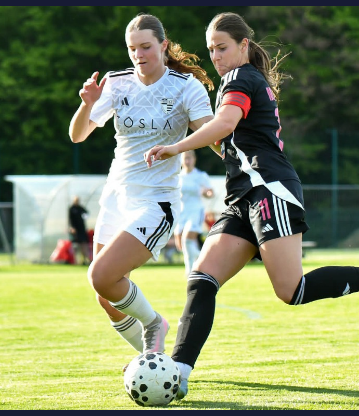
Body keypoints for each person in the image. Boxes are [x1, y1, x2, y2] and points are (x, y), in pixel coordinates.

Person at [144, 12, 359, 400]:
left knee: (292, 289)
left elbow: (225, 125)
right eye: (211, 50)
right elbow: (227, 138)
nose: (217, 56)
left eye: (222, 48)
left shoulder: (241, 78)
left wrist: (175, 146)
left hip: (269, 190)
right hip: (242, 195)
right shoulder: (235, 80)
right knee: (202, 279)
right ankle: (180, 371)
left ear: (243, 45)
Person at [68, 13, 214, 355]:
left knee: (102, 275)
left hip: (156, 203)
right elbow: (77, 135)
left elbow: (212, 134)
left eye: (146, 47)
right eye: (132, 49)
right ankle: (154, 361)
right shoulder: (116, 82)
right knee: (106, 296)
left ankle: (154, 325)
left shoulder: (185, 87)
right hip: (116, 198)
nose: (139, 54)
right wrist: (86, 104)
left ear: (163, 46)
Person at [175, 150, 214, 277]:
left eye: (189, 158)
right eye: (185, 158)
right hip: (181, 212)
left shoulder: (200, 176)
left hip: (196, 211)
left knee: (187, 240)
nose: (187, 161)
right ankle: (203, 258)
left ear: (194, 159)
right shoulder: (178, 177)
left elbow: (210, 193)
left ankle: (190, 272)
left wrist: (206, 192)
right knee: (181, 246)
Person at [68, 196, 90, 265]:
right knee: (76, 246)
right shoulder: (71, 209)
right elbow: (70, 219)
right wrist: (72, 227)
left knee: (84, 244)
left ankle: (85, 260)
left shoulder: (81, 208)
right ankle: (76, 261)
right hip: (75, 230)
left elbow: (87, 214)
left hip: (82, 230)